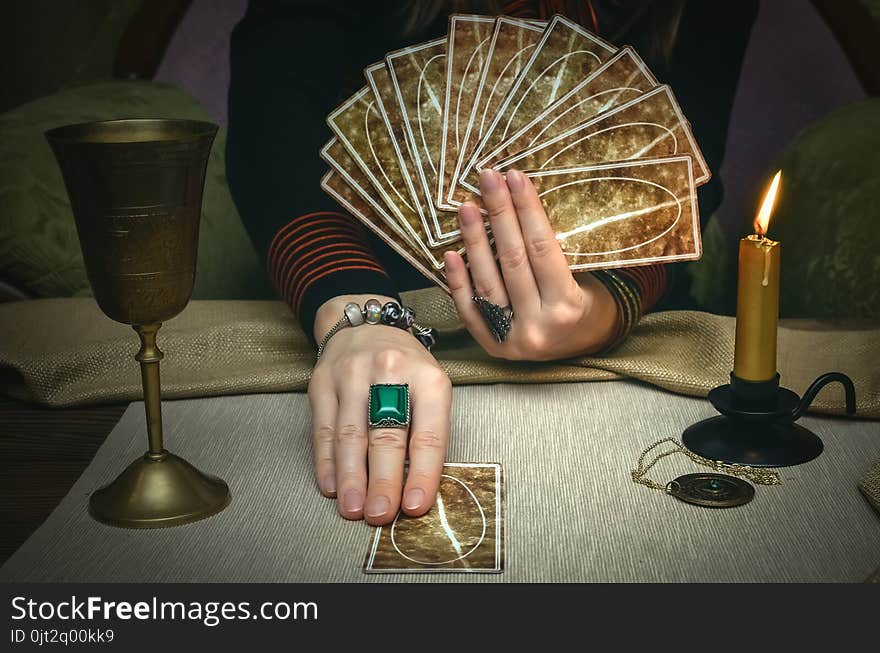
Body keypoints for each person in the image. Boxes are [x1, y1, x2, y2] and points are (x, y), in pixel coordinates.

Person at [226, 0, 758, 526]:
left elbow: (684, 167)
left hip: (628, 333)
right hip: (387, 302)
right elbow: (276, 122)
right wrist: (361, 317)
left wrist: (608, 301)